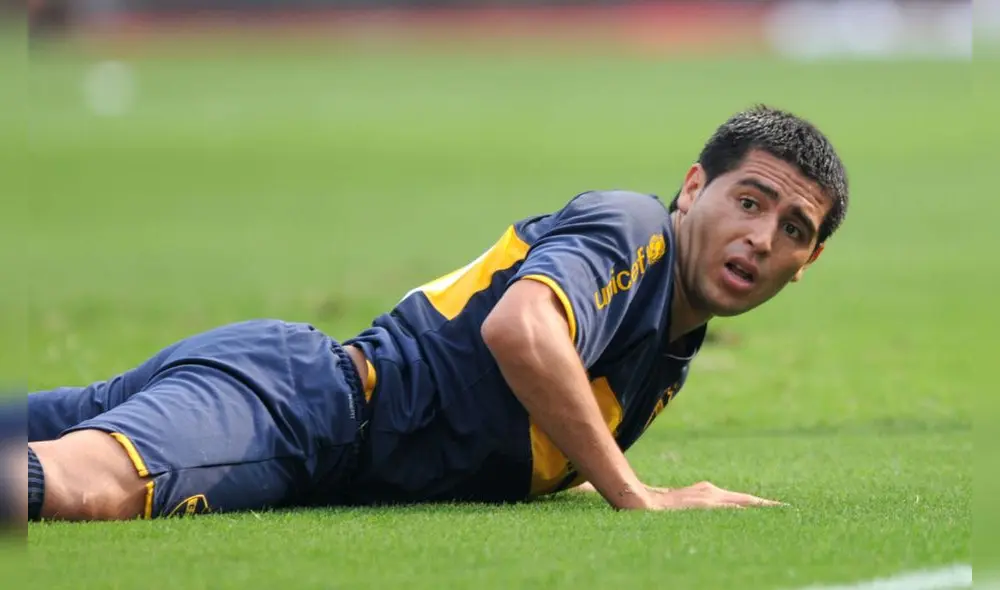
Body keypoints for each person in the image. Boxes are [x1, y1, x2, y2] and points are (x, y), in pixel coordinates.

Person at [22, 104, 848, 522]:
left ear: (806, 263)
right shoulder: (633, 228)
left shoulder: (670, 340)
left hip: (295, 394)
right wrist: (637, 493)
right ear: (695, 189)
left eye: (792, 230)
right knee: (82, 489)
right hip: (305, 411)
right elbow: (519, 329)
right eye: (748, 199)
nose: (759, 237)